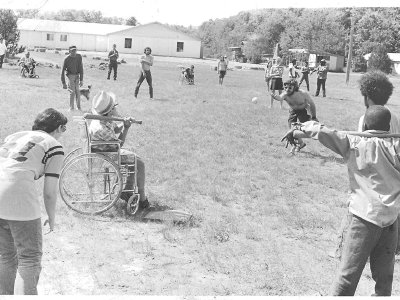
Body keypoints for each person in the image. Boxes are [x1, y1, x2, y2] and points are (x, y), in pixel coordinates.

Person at [282, 105, 400, 296]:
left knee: (347, 278)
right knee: (384, 280)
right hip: (391, 220)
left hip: (364, 219)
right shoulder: (396, 146)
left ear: (365, 124)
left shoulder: (353, 143)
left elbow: (323, 130)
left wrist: (300, 127)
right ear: (389, 127)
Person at [330, 70, 400, 259]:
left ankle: (344, 249)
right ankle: (393, 248)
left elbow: (362, 148)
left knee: (357, 210)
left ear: (366, 96)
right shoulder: (392, 116)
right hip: (391, 178)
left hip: (371, 177)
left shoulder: (366, 118)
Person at [0, 108, 68, 295]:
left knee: (6, 256)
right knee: (29, 258)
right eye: (64, 129)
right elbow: (49, 192)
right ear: (60, 128)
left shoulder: (15, 135)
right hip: (17, 196)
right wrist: (51, 217)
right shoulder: (54, 145)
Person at [89, 91, 150, 210]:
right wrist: (126, 128)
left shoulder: (103, 120)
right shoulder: (102, 128)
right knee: (139, 163)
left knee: (134, 159)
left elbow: (115, 130)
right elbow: (119, 145)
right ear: (111, 110)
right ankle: (142, 199)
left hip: (106, 150)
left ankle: (127, 191)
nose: (116, 107)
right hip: (107, 155)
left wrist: (124, 122)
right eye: (115, 106)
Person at [271, 79, 318, 152]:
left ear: (295, 87)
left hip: (303, 111)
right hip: (293, 111)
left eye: (290, 88)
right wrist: (275, 97)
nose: (287, 89)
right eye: (285, 87)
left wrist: (314, 117)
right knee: (291, 131)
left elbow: (312, 104)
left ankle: (302, 142)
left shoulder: (303, 93)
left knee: (307, 129)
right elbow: (280, 98)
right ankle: (299, 144)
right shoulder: (285, 94)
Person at [61, 46, 84, 111]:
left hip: (77, 76)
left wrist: (81, 79)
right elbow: (62, 71)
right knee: (72, 91)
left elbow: (81, 68)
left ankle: (78, 107)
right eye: (72, 51)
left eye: (75, 50)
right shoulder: (66, 59)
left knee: (77, 91)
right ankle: (71, 108)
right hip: (70, 75)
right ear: (69, 51)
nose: (74, 52)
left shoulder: (79, 57)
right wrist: (63, 83)